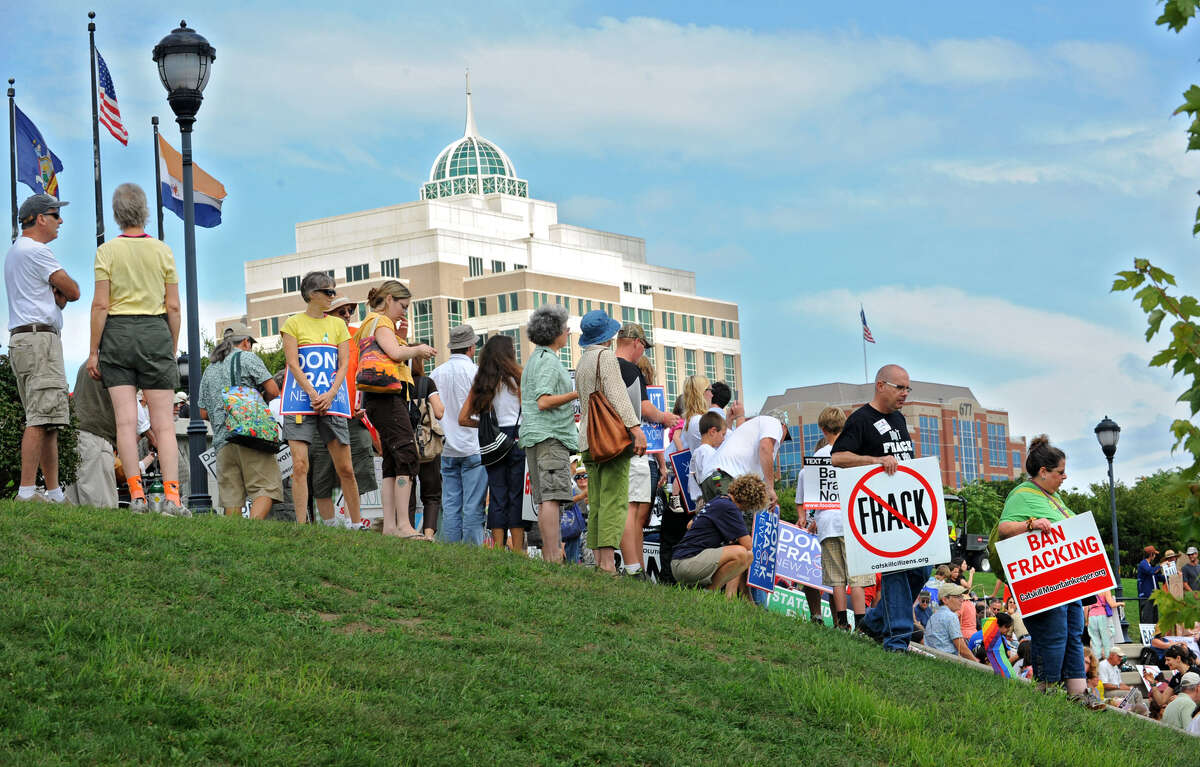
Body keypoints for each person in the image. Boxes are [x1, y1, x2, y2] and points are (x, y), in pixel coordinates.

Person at [86, 184, 185, 516]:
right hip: (155, 332)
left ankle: (137, 496)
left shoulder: (107, 251)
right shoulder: (162, 251)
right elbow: (173, 307)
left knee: (126, 423)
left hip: (117, 334)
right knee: (164, 425)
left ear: (116, 214)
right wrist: (170, 346)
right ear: (144, 211)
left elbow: (101, 305)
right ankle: (172, 498)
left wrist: (94, 350)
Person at [831, 364, 921, 652]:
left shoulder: (899, 420)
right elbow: (838, 457)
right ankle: (897, 641)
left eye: (908, 388)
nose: (905, 393)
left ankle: (872, 623)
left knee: (922, 570)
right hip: (880, 511)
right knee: (896, 570)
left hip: (908, 507)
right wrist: (875, 461)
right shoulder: (860, 420)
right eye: (900, 387)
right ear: (880, 385)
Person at [996, 435, 1088, 700]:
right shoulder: (1022, 495)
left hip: (1067, 580)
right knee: (1054, 633)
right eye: (1060, 471)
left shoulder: (1053, 497)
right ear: (1043, 471)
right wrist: (1031, 524)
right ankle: (1045, 691)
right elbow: (1004, 528)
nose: (1065, 476)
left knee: (1073, 632)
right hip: (1042, 580)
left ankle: (1078, 693)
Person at [6, 194, 81, 503]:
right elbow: (73, 291)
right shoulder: (38, 251)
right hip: (40, 341)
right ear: (39, 218)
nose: (59, 220)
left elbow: (60, 295)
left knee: (48, 418)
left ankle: (54, 492)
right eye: (54, 215)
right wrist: (60, 293)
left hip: (23, 339)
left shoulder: (15, 251)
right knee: (40, 419)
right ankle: (26, 493)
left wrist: (57, 295)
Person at [351, 281, 435, 538]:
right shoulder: (382, 322)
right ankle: (403, 524)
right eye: (403, 306)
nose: (404, 312)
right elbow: (395, 352)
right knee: (407, 454)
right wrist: (417, 349)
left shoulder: (367, 323)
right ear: (389, 299)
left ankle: (390, 525)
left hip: (374, 398)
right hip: (387, 396)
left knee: (391, 458)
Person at [575, 309, 646, 574]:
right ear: (608, 334)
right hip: (610, 440)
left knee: (596, 501)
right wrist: (636, 429)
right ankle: (608, 565)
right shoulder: (605, 357)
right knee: (614, 500)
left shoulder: (583, 361)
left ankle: (597, 560)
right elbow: (618, 396)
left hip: (588, 439)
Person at [197, 325, 283, 519]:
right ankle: (252, 530)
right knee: (265, 487)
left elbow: (203, 412)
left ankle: (236, 536)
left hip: (222, 442)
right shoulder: (247, 357)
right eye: (250, 344)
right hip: (250, 436)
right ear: (245, 342)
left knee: (232, 498)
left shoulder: (209, 369)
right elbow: (274, 390)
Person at [796, 406, 871, 629]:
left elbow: (804, 498)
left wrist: (808, 519)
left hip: (827, 523)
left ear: (821, 428)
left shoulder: (815, 460)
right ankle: (861, 623)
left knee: (836, 577)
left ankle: (841, 622)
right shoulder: (854, 455)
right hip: (853, 520)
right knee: (857, 577)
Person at [614, 323, 679, 576]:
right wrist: (665, 417)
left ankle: (632, 564)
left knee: (620, 508)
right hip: (631, 448)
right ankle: (634, 567)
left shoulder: (604, 366)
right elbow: (644, 408)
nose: (642, 353)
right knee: (632, 510)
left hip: (606, 446)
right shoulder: (630, 370)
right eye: (643, 347)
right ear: (637, 343)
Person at [309, 296, 376, 531]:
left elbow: (365, 375)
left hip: (352, 416)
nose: (347, 315)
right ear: (329, 314)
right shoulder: (317, 337)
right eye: (341, 311)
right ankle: (328, 525)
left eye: (350, 310)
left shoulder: (357, 338)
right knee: (321, 473)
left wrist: (362, 403)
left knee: (355, 469)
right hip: (322, 414)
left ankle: (352, 523)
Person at [518, 304, 579, 562]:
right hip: (549, 436)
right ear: (555, 332)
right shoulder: (549, 363)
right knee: (552, 498)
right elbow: (544, 401)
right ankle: (553, 554)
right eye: (566, 328)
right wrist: (577, 393)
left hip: (536, 435)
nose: (568, 332)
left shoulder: (535, 359)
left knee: (545, 499)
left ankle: (551, 552)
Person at [460, 335, 526, 551]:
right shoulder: (520, 378)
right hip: (516, 439)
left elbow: (463, 418)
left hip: (492, 443)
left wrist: (485, 428)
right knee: (516, 494)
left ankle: (497, 548)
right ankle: (517, 549)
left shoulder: (482, 382)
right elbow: (529, 412)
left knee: (497, 494)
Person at [431, 325, 488, 545]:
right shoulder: (477, 374)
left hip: (446, 447)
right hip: (473, 445)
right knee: (473, 505)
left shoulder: (436, 373)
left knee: (451, 503)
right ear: (472, 347)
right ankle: (473, 550)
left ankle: (451, 549)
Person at [670, 475, 765, 595]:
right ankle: (710, 593)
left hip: (678, 562)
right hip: (687, 564)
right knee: (744, 554)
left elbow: (689, 525)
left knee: (743, 554)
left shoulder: (719, 500)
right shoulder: (730, 508)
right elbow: (748, 545)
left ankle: (705, 590)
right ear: (751, 501)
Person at [64, 362, 117, 508]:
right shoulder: (112, 364)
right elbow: (133, 413)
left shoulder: (88, 364)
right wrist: (152, 436)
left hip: (76, 434)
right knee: (101, 507)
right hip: (95, 437)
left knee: (75, 506)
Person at [408, 354, 444, 540]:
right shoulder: (426, 383)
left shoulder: (399, 384)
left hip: (405, 444)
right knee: (432, 493)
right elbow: (439, 411)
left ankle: (409, 532)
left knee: (407, 491)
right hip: (426, 446)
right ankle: (429, 534)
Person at [925, 582, 976, 660]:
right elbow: (961, 648)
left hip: (934, 658)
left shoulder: (934, 616)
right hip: (947, 660)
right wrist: (976, 662)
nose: (962, 600)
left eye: (962, 596)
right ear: (945, 599)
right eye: (958, 597)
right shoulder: (951, 616)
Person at [689, 412, 725, 510]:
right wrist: (722, 491)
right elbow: (713, 475)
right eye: (722, 434)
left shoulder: (697, 452)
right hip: (709, 500)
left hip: (699, 500)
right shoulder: (708, 451)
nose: (723, 438)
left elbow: (692, 479)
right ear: (713, 431)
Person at [563, 465, 589, 564]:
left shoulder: (597, 491)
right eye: (578, 477)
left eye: (585, 475)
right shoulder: (572, 490)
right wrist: (581, 497)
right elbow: (564, 505)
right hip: (574, 529)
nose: (582, 478)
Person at [1086, 589, 1117, 659]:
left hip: (1091, 616)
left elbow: (1086, 608)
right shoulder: (1105, 590)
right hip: (1102, 615)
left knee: (1095, 640)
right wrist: (1121, 604)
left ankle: (1096, 661)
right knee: (1106, 639)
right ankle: (1107, 659)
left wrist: (1086, 621)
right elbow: (1112, 604)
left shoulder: (1089, 590)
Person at [1137, 545, 1164, 625]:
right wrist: (1161, 566)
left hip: (1153, 596)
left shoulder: (1150, 566)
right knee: (1148, 620)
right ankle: (1147, 637)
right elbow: (1151, 572)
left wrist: (1171, 576)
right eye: (1154, 554)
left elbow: (1156, 577)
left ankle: (1155, 637)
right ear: (1151, 554)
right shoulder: (1143, 564)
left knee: (1155, 620)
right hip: (1147, 597)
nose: (1155, 556)